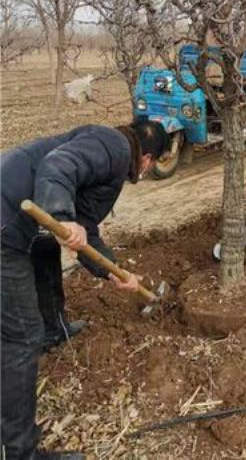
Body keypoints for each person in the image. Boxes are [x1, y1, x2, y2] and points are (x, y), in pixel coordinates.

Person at [1, 120, 170, 460]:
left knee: (46, 251)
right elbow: (57, 166)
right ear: (148, 159)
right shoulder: (115, 147)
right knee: (21, 337)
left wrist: (114, 271)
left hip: (16, 212)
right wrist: (62, 216)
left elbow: (86, 229)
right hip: (6, 224)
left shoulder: (109, 147)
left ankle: (55, 330)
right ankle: (18, 453)